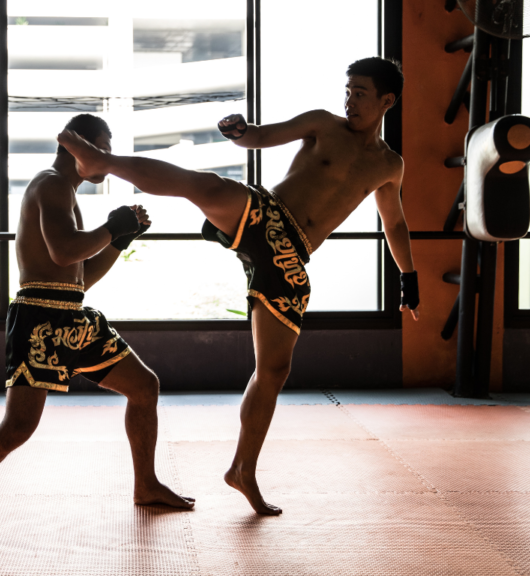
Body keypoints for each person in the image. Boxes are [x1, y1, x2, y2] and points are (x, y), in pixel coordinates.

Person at [57, 57, 420, 515]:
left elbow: (396, 223)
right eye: (347, 90)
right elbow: (262, 136)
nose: (349, 100)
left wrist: (409, 278)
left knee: (274, 371)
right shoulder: (323, 125)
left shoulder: (390, 165)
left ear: (387, 100)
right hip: (269, 215)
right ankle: (102, 161)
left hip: (291, 258)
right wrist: (238, 131)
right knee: (203, 185)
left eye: (360, 93)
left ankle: (243, 469)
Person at [0, 114, 195, 538]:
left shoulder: (65, 192)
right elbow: (62, 252)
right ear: (77, 149)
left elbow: (80, 278)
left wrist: (118, 240)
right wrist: (111, 226)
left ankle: (146, 484)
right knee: (19, 426)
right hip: (39, 317)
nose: (107, 160)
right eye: (101, 150)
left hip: (72, 315)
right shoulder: (50, 184)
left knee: (144, 387)